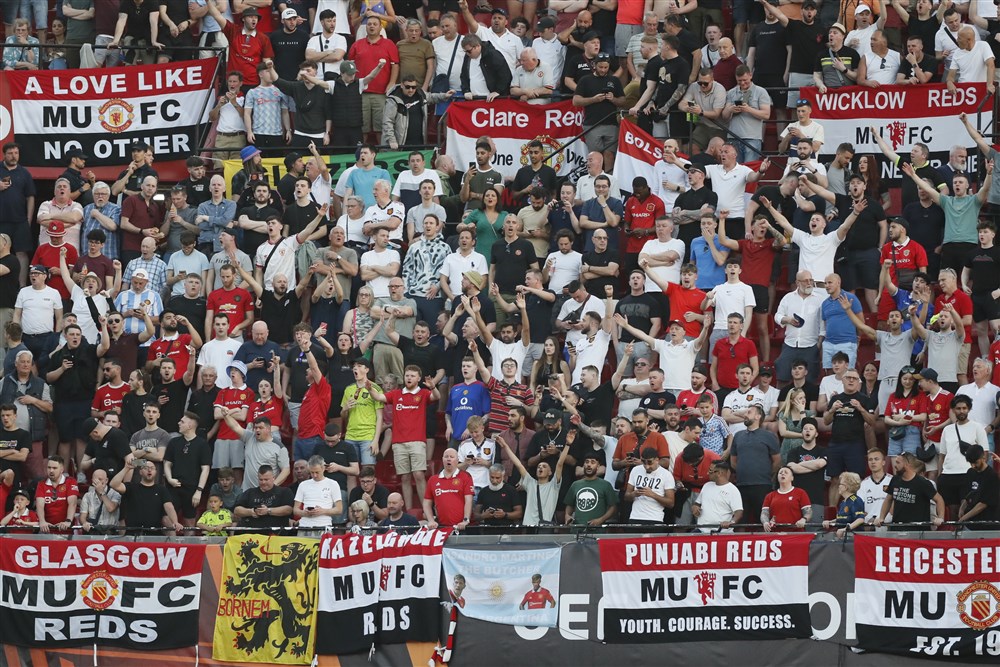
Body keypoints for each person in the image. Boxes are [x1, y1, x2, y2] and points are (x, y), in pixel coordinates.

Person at [823, 366, 877, 506]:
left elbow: (871, 421)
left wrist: (860, 408)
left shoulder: (864, 399)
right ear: (843, 380)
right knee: (835, 480)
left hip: (855, 445)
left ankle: (856, 514)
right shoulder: (836, 398)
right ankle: (832, 516)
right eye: (848, 378)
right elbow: (826, 420)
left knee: (855, 481)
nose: (851, 381)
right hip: (836, 444)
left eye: (854, 378)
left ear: (859, 382)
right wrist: (833, 409)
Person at [937, 394, 989, 519]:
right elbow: (942, 455)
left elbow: (985, 454)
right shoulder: (947, 430)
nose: (961, 411)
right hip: (948, 475)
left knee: (966, 509)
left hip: (968, 474)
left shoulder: (977, 428)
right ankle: (955, 536)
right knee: (953, 511)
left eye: (964, 408)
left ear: (969, 409)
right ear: (953, 410)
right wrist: (940, 475)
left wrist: (979, 473)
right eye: (958, 408)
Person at [110, 458, 184, 535]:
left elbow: (169, 506)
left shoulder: (161, 489)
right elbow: (113, 484)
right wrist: (126, 468)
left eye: (152, 468)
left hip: (154, 534)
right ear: (140, 472)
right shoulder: (131, 487)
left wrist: (175, 522)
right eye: (146, 468)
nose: (149, 470)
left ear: (156, 472)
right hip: (133, 533)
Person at [163, 412, 212, 528]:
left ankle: (188, 545)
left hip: (192, 488)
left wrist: (199, 490)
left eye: (182, 421)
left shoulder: (202, 444)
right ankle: (172, 543)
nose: (179, 423)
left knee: (190, 522)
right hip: (173, 487)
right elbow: (167, 463)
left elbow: (205, 469)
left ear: (190, 425)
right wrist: (169, 479)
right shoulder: (173, 442)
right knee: (167, 518)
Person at [876, 452, 945, 529]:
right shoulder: (895, 479)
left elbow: (939, 499)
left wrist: (940, 517)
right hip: (897, 528)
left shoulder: (922, 483)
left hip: (917, 530)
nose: (895, 465)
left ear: (907, 464)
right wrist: (882, 517)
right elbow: (888, 499)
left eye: (898, 463)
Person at [422, 447, 474, 530]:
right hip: (441, 526)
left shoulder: (465, 477)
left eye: (451, 457)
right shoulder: (433, 480)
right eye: (446, 457)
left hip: (461, 526)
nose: (448, 459)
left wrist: (465, 520)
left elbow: (469, 500)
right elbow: (426, 502)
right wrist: (431, 520)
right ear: (442, 460)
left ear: (457, 460)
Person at [233, 464, 295, 533]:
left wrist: (268, 511)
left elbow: (288, 510)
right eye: (261, 479)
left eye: (266, 479)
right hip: (253, 534)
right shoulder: (250, 492)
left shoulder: (284, 491)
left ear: (273, 478)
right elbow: (237, 510)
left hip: (277, 534)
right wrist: (251, 512)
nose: (263, 482)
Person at [565, 449, 618, 527]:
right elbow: (570, 504)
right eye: (587, 462)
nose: (589, 465)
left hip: (597, 530)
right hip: (577, 529)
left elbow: (613, 507)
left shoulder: (605, 485)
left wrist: (601, 520)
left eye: (593, 462)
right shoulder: (575, 485)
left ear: (598, 466)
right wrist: (567, 515)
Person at [624, 445, 675, 525]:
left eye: (650, 463)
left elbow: (671, 503)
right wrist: (634, 494)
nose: (647, 467)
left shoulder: (666, 475)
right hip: (635, 517)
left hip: (655, 518)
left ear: (657, 460)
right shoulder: (636, 470)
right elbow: (626, 496)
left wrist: (652, 495)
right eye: (643, 462)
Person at [294, 454, 344, 532]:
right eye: (312, 472)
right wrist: (305, 513)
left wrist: (322, 511)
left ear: (323, 468)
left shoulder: (333, 484)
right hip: (304, 525)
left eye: (317, 472)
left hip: (324, 526)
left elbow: (339, 509)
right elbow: (295, 510)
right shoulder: (303, 485)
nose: (314, 475)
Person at [693, 460, 742, 533]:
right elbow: (697, 503)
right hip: (701, 530)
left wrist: (731, 522)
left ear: (719, 473)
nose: (707, 473)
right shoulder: (706, 486)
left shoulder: (733, 490)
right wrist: (695, 507)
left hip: (721, 532)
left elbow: (739, 511)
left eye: (710, 471)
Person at [957, 444, 999, 528]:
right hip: (971, 522)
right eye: (971, 463)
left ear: (983, 458)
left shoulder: (991, 476)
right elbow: (968, 494)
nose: (973, 466)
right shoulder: (971, 472)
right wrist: (962, 508)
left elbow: (983, 504)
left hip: (987, 523)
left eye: (976, 462)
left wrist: (964, 518)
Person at [761, 467, 811, 532]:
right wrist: (765, 522)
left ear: (792, 478)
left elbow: (808, 511)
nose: (783, 474)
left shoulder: (800, 492)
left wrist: (804, 519)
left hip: (796, 533)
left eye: (786, 472)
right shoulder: (770, 495)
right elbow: (764, 513)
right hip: (775, 534)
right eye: (780, 473)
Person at [822, 471, 866, 539]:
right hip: (843, 537)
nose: (838, 486)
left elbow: (860, 519)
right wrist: (830, 522)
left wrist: (846, 529)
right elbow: (842, 518)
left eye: (840, 484)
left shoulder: (855, 500)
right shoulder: (843, 502)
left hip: (853, 537)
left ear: (846, 487)